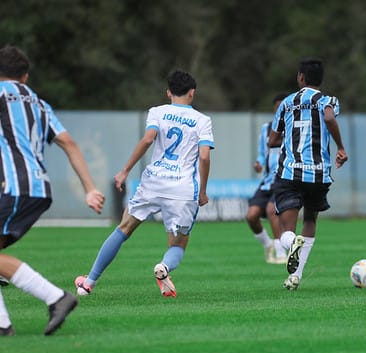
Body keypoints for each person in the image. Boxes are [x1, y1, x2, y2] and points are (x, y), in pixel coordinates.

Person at [75, 70, 214, 298]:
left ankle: (89, 282)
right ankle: (164, 268)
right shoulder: (202, 120)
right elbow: (205, 157)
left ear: (168, 92)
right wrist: (204, 190)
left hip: (153, 183)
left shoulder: (157, 112)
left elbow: (148, 139)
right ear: (193, 93)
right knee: (177, 245)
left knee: (123, 229)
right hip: (182, 189)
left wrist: (125, 171)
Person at [0, 46, 105, 336]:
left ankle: (56, 298)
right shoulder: (40, 103)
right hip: (38, 188)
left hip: (14, 186)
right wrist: (90, 188)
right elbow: (69, 143)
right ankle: (2, 324)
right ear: (25, 76)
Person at [268, 58, 348, 291]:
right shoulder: (328, 100)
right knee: (311, 220)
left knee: (286, 229)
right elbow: (330, 117)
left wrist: (289, 135)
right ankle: (296, 276)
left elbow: (272, 140)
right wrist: (341, 147)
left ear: (300, 77)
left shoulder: (286, 102)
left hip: (290, 172)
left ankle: (292, 243)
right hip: (319, 173)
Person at [246, 93, 288, 264]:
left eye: (282, 107)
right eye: (277, 107)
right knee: (251, 216)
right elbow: (263, 154)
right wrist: (259, 163)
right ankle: (268, 244)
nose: (279, 110)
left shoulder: (293, 129)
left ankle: (281, 253)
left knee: (272, 209)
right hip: (267, 181)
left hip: (284, 179)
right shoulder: (266, 129)